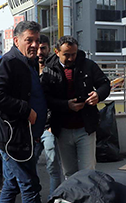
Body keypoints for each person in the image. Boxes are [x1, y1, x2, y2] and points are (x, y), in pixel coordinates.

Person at [0, 20, 47, 203]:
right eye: (29, 40)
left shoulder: (28, 62)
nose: (34, 45)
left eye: (37, 41)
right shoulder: (9, 62)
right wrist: (25, 110)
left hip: (24, 136)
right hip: (13, 139)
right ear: (16, 40)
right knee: (30, 184)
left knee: (11, 183)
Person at [41, 36, 111, 178]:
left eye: (74, 54)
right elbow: (45, 98)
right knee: (69, 172)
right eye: (66, 55)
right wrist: (66, 105)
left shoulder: (88, 65)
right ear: (57, 52)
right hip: (62, 128)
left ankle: (89, 199)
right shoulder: (48, 71)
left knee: (88, 171)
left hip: (86, 128)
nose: (71, 58)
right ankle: (74, 199)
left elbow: (105, 84)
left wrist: (98, 95)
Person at [35, 34, 64, 197]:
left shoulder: (54, 70)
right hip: (33, 127)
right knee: (29, 166)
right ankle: (31, 196)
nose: (40, 51)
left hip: (49, 128)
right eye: (38, 48)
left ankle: (54, 199)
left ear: (49, 49)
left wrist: (53, 124)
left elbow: (57, 99)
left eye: (43, 48)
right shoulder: (29, 68)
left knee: (53, 166)